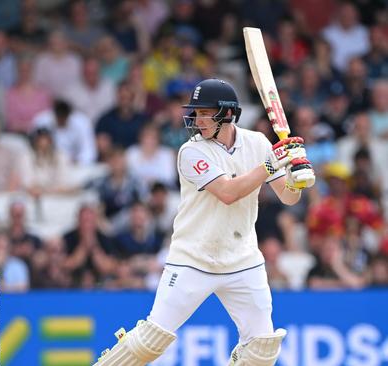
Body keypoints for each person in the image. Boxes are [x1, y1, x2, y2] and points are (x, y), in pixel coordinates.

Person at [93, 79, 316, 365]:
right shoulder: (190, 151)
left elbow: (287, 198)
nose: (197, 119)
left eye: (204, 112)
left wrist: (296, 179)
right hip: (193, 258)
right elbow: (227, 192)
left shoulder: (258, 143)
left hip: (242, 259)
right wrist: (273, 163)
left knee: (262, 350)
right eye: (195, 113)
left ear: (227, 113)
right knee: (151, 341)